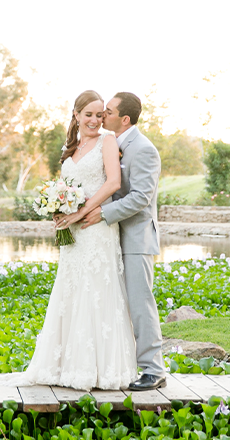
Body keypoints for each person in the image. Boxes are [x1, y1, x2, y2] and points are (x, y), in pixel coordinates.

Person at [6, 90, 138, 391]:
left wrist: (81, 213)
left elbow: (113, 183)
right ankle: (64, 366)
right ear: (76, 115)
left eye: (99, 114)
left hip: (96, 229)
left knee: (96, 292)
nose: (94, 119)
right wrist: (59, 209)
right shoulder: (71, 148)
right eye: (88, 114)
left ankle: (100, 370)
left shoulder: (107, 141)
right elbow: (67, 187)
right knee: (71, 290)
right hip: (74, 234)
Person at [79, 92, 165, 391]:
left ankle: (154, 370)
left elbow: (141, 197)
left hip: (136, 237)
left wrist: (103, 213)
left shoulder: (143, 149)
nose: (102, 116)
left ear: (124, 118)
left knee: (141, 304)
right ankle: (122, 365)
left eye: (108, 111)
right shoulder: (113, 144)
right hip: (112, 238)